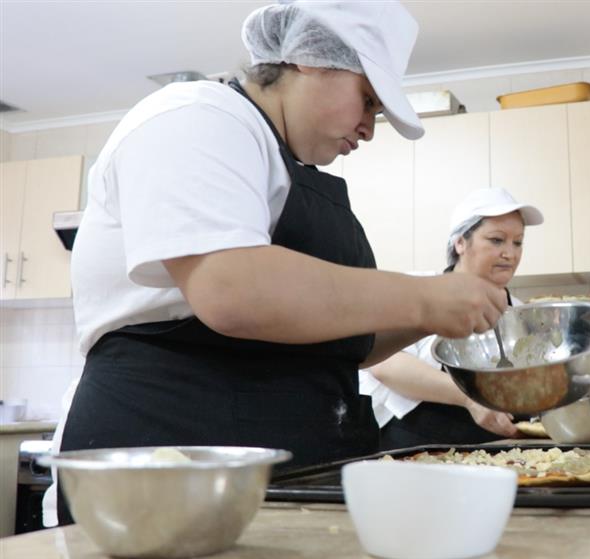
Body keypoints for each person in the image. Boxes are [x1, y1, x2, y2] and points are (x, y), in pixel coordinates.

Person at [51, 1, 508, 525]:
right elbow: (231, 289)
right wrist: (425, 295)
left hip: (291, 474)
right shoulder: (194, 115)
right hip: (172, 462)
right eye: (367, 100)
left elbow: (345, 342)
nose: (368, 129)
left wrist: (428, 318)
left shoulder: (285, 169)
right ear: (311, 59)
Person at [362, 188, 543, 450]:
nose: (510, 253)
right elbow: (384, 364)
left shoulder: (524, 317)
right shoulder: (419, 288)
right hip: (416, 450)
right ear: (460, 242)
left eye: (518, 242)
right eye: (496, 240)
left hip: (503, 455)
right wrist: (470, 400)